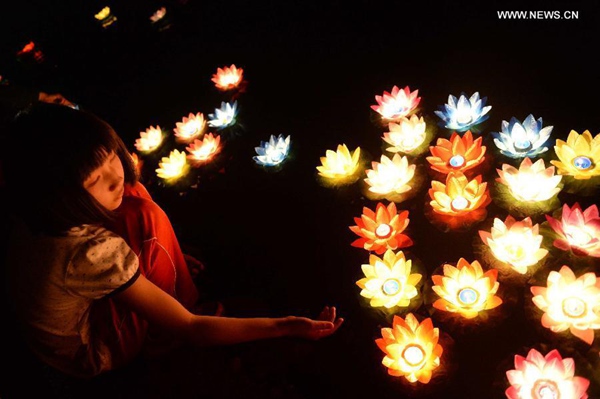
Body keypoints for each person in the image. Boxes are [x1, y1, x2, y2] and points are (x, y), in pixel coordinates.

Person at [1, 103, 343, 380]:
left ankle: (169, 265)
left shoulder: (33, 210)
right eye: (94, 178)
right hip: (93, 347)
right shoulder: (89, 252)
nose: (113, 176)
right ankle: (165, 338)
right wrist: (285, 326)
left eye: (110, 159)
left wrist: (164, 258)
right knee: (145, 219)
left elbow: (114, 188)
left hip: (71, 314)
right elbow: (190, 327)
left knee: (132, 193)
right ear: (59, 195)